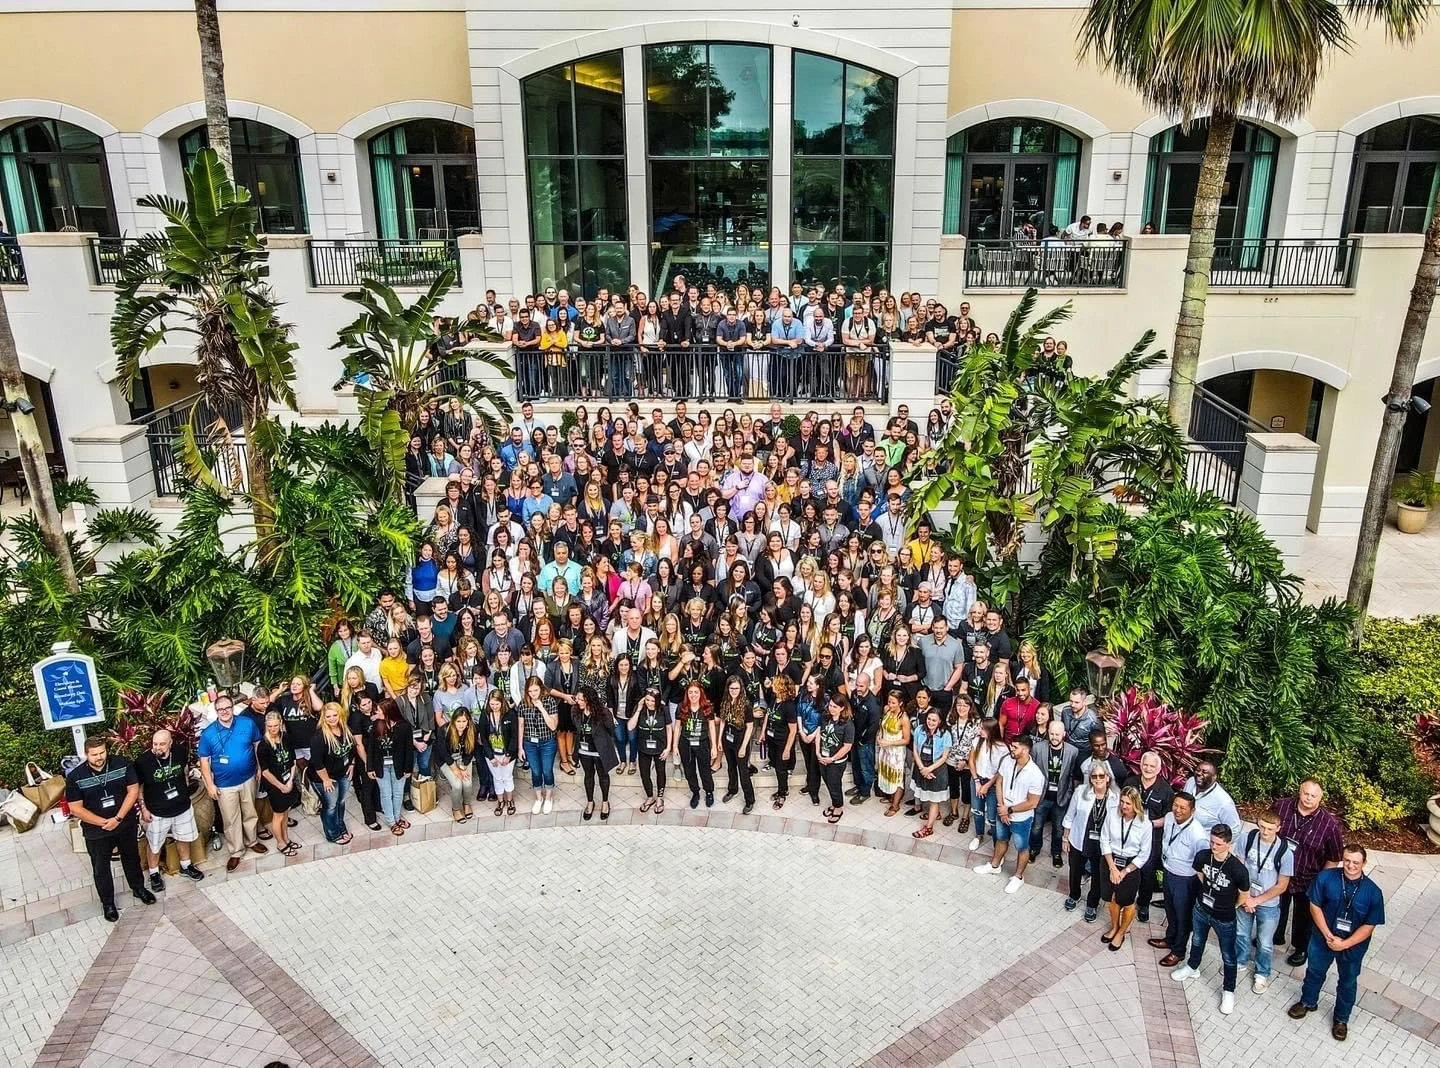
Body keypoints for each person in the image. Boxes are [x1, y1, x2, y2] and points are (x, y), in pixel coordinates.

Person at [1288, 844, 1386, 1042]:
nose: (1350, 865)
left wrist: (1345, 944)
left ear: (1364, 863)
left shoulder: (1373, 892)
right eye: (1347, 860)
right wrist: (1327, 935)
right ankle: (1308, 1002)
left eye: (1356, 862)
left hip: (1352, 947)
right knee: (1314, 971)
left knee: (1347, 982)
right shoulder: (1326, 878)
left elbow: (1369, 926)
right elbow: (1314, 905)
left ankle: (1341, 1019)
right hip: (1322, 938)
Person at [65, 735, 157, 922]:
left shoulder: (122, 763)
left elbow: (133, 790)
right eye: (94, 755)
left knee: (131, 857)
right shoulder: (76, 776)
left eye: (102, 752)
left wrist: (118, 818)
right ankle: (108, 903)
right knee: (101, 867)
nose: (99, 757)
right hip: (97, 831)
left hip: (124, 823)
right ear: (86, 754)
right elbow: (75, 808)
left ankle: (138, 888)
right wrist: (103, 822)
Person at [1170, 823, 1251, 1016]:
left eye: (1218, 844)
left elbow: (1244, 894)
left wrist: (1233, 906)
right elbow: (1200, 874)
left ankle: (1229, 991)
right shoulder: (1203, 856)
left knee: (1228, 956)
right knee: (1197, 940)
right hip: (1201, 909)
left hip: (1224, 917)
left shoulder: (1238, 869)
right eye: (1212, 842)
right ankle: (1192, 966)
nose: (1214, 847)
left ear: (1228, 844)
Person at [1273, 779, 1346, 967]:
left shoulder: (1329, 824)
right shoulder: (1281, 807)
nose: (1308, 798)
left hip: (1308, 878)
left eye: (1313, 795)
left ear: (1320, 798)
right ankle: (1274, 935)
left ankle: (1300, 948)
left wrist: (1321, 882)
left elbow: (1334, 856)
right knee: (1275, 906)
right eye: (1306, 793)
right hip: (1278, 872)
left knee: (1303, 916)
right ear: (1300, 791)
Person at [197, 693, 267, 873]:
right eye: (220, 709)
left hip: (248, 777)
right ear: (216, 711)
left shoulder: (247, 723)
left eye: (227, 708)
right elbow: (204, 761)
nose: (224, 712)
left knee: (250, 811)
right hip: (224, 784)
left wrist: (260, 767)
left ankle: (252, 841)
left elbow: (257, 745)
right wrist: (210, 785)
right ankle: (236, 851)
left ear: (232, 708)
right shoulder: (209, 733)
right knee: (231, 818)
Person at [135, 728, 206, 891]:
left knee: (184, 837)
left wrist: (185, 789)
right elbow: (139, 787)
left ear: (170, 743)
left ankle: (186, 865)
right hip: (157, 811)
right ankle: (154, 873)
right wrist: (143, 809)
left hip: (182, 806)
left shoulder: (180, 751)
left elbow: (185, 770)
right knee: (154, 844)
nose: (157, 748)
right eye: (155, 744)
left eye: (161, 744)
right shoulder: (143, 762)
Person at [974, 734, 1045, 894]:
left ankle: (1018, 877)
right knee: (1001, 839)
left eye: (1015, 747)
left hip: (1021, 818)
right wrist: (1001, 806)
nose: (1011, 749)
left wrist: (1009, 810)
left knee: (1021, 847)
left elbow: (1032, 802)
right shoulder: (1007, 761)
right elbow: (999, 782)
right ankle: (995, 865)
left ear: (1026, 750)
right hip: (1003, 809)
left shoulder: (1035, 774)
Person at [1235, 808, 1293, 993]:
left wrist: (1256, 900)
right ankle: (1240, 961)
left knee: (1265, 942)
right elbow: (1239, 867)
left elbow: (1282, 886)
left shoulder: (1285, 852)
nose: (1265, 832)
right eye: (1262, 827)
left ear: (1278, 828)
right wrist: (1245, 897)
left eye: (1269, 828)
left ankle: (1262, 973)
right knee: (1241, 933)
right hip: (1245, 896)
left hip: (1268, 904)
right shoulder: (1248, 838)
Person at [1152, 791, 1209, 968]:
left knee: (1183, 916)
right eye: (1175, 805)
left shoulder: (1197, 833)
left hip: (1185, 880)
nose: (1178, 810)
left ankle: (1178, 951)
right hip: (1168, 872)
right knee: (1170, 910)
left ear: (1192, 810)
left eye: (1183, 808)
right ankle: (1170, 938)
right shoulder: (1169, 817)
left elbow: (1202, 863)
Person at [1062, 763, 1118, 921]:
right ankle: (1074, 895)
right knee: (1075, 871)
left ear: (1107, 778)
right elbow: (1069, 816)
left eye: (1101, 776)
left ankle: (1092, 904)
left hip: (1102, 845)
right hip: (1079, 839)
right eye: (1094, 776)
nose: (1098, 779)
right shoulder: (1081, 792)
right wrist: (1065, 838)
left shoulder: (1116, 797)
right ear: (1090, 778)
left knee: (1098, 876)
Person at [1099, 786, 1151, 952]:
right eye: (1122, 801)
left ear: (1136, 804)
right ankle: (1114, 927)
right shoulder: (1113, 814)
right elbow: (1104, 839)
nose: (1124, 806)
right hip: (1110, 859)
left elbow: (1144, 854)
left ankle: (1122, 932)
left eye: (1128, 803)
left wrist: (1124, 871)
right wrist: (1112, 867)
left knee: (1127, 902)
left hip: (1131, 865)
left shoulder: (1145, 824)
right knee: (1112, 897)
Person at [1124, 751, 1174, 923]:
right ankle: (1125, 899)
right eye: (1145, 765)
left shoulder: (1165, 790)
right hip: (1129, 833)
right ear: (1140, 764)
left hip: (1152, 837)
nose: (1148, 768)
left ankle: (1144, 903)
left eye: (1152, 766)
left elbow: (1169, 817)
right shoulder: (1131, 782)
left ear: (1159, 769)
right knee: (1128, 866)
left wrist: (1149, 825)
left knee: (1147, 872)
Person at [1030, 720, 1080, 868]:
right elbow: (1032, 772)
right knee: (1036, 826)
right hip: (1042, 797)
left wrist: (1068, 795)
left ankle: (1056, 853)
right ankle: (1034, 849)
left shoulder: (1073, 751)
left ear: (1064, 734)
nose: (1054, 737)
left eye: (1057, 734)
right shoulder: (1038, 748)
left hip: (1061, 797)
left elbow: (1073, 776)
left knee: (1058, 828)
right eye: (1051, 733)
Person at [256, 711, 302, 857]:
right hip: (275, 785)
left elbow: (293, 761)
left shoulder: (286, 738)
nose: (273, 729)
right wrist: (281, 786)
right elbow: (265, 772)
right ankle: (280, 843)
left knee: (286, 812)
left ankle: (286, 838)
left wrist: (290, 781)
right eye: (270, 726)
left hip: (288, 780)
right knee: (278, 815)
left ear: (280, 724)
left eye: (275, 725)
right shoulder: (263, 745)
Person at [309, 703, 356, 845]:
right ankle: (333, 834)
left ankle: (340, 826)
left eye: (335, 715)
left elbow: (352, 748)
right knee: (330, 806)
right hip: (325, 777)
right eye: (328, 716)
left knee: (340, 802)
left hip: (343, 773)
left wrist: (352, 764)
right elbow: (317, 763)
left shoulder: (345, 729)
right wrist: (326, 780)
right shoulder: (319, 737)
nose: (332, 718)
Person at [369, 698, 415, 834]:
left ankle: (397, 817)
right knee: (386, 793)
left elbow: (408, 749)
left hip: (399, 766)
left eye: (380, 711)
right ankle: (391, 821)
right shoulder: (376, 726)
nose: (377, 713)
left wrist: (408, 769)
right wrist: (370, 767)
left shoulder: (404, 727)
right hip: (381, 766)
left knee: (398, 793)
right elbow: (371, 748)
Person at [574, 687, 619, 820]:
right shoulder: (575, 711)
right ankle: (590, 802)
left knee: (603, 776)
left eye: (580, 699)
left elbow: (611, 729)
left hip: (599, 751)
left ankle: (605, 802)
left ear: (588, 700)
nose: (577, 701)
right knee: (588, 776)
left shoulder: (603, 712)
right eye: (577, 698)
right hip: (584, 750)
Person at [909, 707, 951, 838]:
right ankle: (935, 814)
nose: (930, 722)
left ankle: (928, 828)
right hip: (922, 766)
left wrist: (929, 769)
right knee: (926, 794)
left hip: (936, 768)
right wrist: (922, 768)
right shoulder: (919, 730)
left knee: (934, 800)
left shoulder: (946, 734)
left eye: (934, 720)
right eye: (929, 719)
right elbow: (915, 749)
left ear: (940, 721)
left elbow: (944, 757)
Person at [520, 675, 560, 814]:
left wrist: (542, 708)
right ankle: (539, 798)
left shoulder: (549, 701)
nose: (533, 694)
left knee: (547, 770)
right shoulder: (523, 703)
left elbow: (553, 726)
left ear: (541, 689)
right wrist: (520, 747)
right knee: (536, 771)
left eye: (536, 690)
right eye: (530, 691)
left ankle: (548, 797)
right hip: (530, 742)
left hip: (547, 741)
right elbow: (521, 725)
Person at [631, 688, 674, 812]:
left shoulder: (663, 709)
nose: (649, 703)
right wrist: (639, 709)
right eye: (647, 700)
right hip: (643, 748)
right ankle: (650, 797)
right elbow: (630, 727)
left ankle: (660, 798)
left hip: (660, 747)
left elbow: (668, 729)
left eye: (652, 701)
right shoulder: (641, 709)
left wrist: (668, 748)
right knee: (644, 773)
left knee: (660, 772)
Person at [434, 707, 480, 823]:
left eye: (464, 721)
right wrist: (455, 769)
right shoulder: (444, 730)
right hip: (447, 759)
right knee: (457, 785)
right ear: (453, 720)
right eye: (458, 721)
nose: (461, 724)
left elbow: (471, 750)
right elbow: (443, 753)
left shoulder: (472, 730)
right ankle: (456, 809)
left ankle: (467, 804)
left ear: (468, 721)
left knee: (468, 783)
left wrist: (463, 767)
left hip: (463, 759)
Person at [816, 693, 856, 824]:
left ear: (841, 708)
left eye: (834, 706)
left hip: (836, 761)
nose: (831, 708)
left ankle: (838, 807)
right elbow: (819, 733)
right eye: (830, 705)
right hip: (823, 757)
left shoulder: (847, 725)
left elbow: (847, 746)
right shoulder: (826, 717)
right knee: (827, 782)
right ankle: (834, 803)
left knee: (834, 784)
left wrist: (832, 758)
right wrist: (818, 752)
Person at [481, 690, 520, 816]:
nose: (494, 707)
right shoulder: (485, 715)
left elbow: (514, 736)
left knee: (507, 777)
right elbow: (483, 737)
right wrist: (491, 756)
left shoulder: (510, 714)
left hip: (507, 752)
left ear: (502, 702)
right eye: (491, 704)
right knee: (497, 778)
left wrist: (509, 755)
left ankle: (509, 800)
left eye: (496, 704)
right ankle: (500, 801)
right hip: (492, 753)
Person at [1183, 760, 1241, 833]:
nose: (1199, 773)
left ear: (1214, 777)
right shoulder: (1190, 782)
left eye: (1204, 772)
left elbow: (1234, 830)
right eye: (1198, 770)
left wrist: (1213, 843)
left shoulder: (1224, 802)